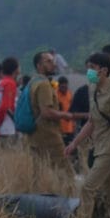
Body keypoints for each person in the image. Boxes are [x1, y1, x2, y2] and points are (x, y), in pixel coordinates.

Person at [65, 52, 110, 218]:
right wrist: (74, 144)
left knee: (87, 188)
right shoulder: (94, 92)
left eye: (92, 68)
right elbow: (91, 122)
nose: (89, 72)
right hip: (99, 147)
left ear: (103, 70)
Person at [27, 52, 75, 191]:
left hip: (35, 134)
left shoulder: (33, 82)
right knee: (66, 172)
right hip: (49, 135)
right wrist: (65, 115)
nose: (53, 63)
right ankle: (70, 204)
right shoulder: (43, 85)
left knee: (38, 173)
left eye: (52, 61)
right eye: (48, 61)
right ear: (39, 65)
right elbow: (46, 112)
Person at [57, 76, 75, 145]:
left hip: (70, 127)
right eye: (62, 87)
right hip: (59, 128)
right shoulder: (55, 95)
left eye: (66, 86)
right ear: (59, 86)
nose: (64, 88)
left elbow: (72, 107)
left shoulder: (69, 93)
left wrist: (74, 123)